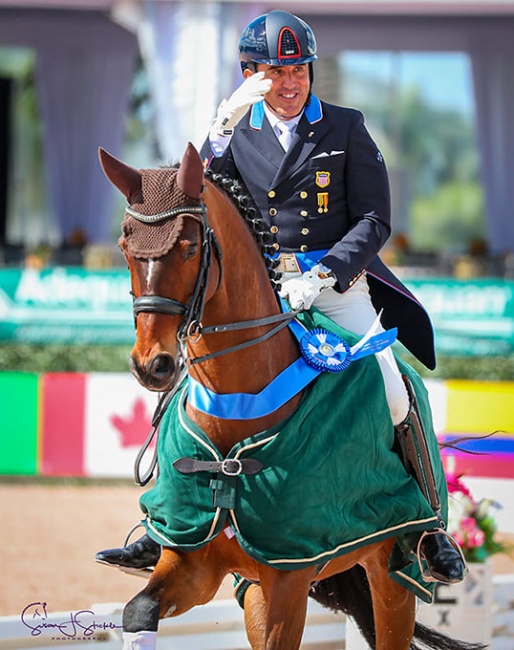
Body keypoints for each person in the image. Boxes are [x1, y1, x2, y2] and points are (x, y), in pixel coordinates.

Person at [97, 9, 466, 585]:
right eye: (274, 72)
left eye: (298, 70)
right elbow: (197, 195)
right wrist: (218, 130)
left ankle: (427, 526)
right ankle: (165, 522)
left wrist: (323, 276)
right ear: (252, 76)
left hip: (335, 288)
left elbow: (374, 219)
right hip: (266, 289)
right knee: (197, 379)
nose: (290, 83)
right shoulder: (238, 135)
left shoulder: (346, 127)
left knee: (395, 387)